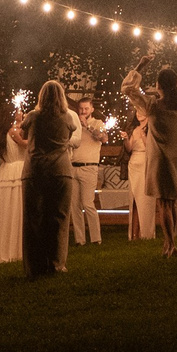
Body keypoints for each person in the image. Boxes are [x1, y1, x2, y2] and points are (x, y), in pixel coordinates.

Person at [121, 57, 177, 259]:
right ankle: (168, 242)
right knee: (170, 202)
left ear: (158, 86)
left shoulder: (153, 106)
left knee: (163, 203)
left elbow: (128, 89)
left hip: (161, 160)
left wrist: (139, 66)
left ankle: (171, 244)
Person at [24, 80, 76, 277]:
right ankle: (57, 264)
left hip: (35, 171)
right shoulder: (68, 118)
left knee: (34, 219)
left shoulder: (33, 117)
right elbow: (71, 132)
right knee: (59, 219)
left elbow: (23, 129)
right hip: (61, 171)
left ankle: (35, 267)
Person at [0, 107, 30, 267]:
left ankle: (7, 247)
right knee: (16, 209)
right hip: (16, 171)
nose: (21, 113)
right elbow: (25, 144)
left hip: (5, 171)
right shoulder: (12, 132)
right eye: (18, 111)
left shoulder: (4, 132)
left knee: (7, 211)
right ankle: (15, 249)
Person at [68, 99, 105, 245]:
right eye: (81, 109)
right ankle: (80, 239)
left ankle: (96, 238)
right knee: (74, 205)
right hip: (73, 166)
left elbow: (103, 137)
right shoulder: (74, 124)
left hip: (89, 167)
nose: (83, 111)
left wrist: (87, 126)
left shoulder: (98, 123)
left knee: (88, 203)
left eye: (86, 108)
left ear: (92, 109)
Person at [125, 108, 156, 241]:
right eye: (137, 112)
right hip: (134, 163)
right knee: (134, 199)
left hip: (146, 163)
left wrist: (144, 134)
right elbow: (129, 148)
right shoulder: (135, 129)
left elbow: (149, 146)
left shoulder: (152, 128)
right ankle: (134, 234)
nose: (138, 114)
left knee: (145, 199)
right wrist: (126, 139)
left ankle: (147, 233)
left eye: (141, 111)